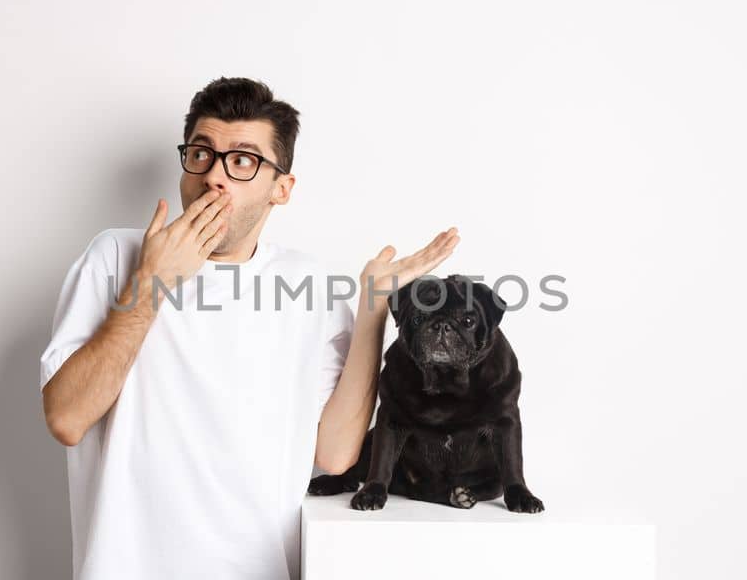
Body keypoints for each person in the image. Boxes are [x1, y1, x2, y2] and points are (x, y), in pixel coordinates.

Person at [37, 77, 459, 580]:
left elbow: (336, 452)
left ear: (281, 188)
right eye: (202, 153)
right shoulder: (117, 257)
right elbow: (67, 418)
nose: (215, 175)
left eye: (242, 160)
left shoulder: (310, 285)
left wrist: (372, 309)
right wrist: (151, 283)